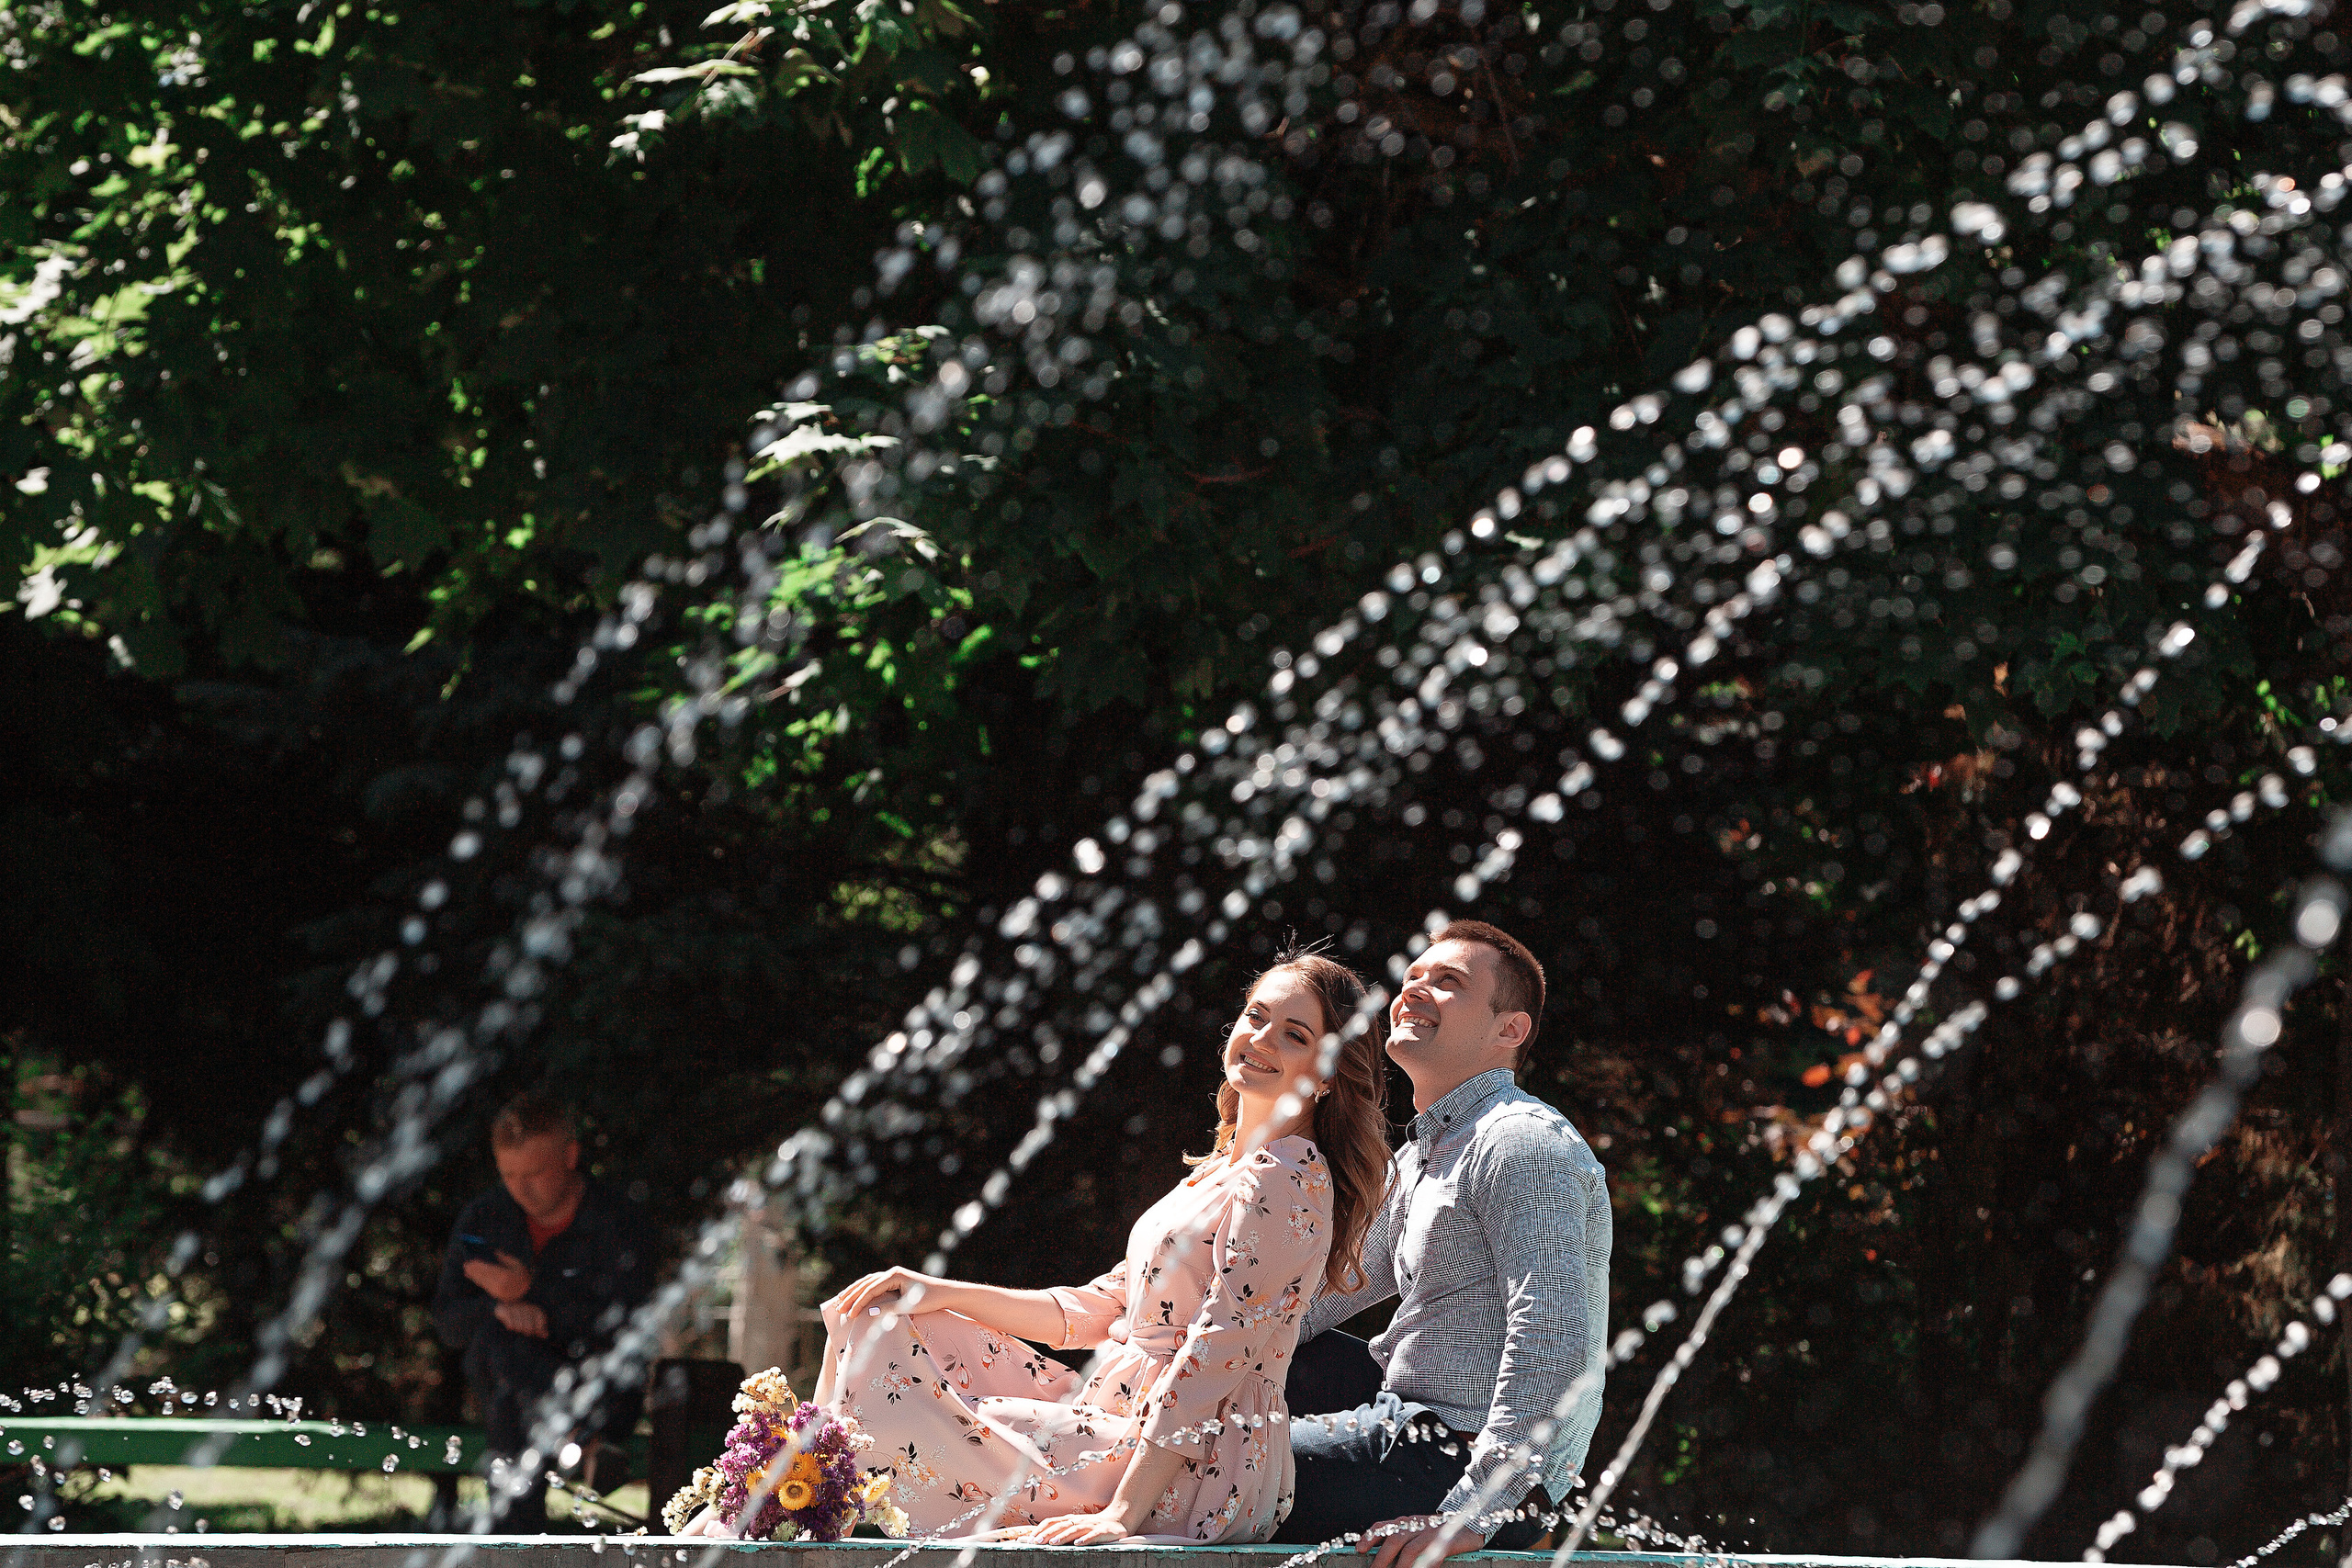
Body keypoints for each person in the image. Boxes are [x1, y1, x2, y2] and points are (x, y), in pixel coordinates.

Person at [680, 947, 1392, 1545]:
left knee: (932, 1400)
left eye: (1294, 1035)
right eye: (1255, 1016)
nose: (1261, 1039)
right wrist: (937, 1290)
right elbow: (1096, 1308)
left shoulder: (1288, 1179)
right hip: (1120, 1413)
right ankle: (793, 1498)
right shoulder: (1218, 1173)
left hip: (1194, 1468)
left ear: (1329, 1071)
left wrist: (1124, 1513)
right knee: (886, 1317)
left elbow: (1215, 1356)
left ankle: (785, 1511)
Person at [1274, 919, 1612, 1568]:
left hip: (1458, 1465)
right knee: (1265, 1355)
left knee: (1209, 1465)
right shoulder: (1425, 1153)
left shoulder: (1521, 1143)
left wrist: (1472, 1512)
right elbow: (1318, 1298)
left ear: (1509, 1030)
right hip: (1406, 1424)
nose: (1414, 991)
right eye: (1412, 979)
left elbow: (1556, 1344)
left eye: (1447, 982)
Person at [434, 1093, 658, 1531]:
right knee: (497, 1343)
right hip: (519, 1397)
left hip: (595, 1390)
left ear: (571, 1156)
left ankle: (512, 1544)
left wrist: (532, 1293)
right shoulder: (484, 1222)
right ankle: (573, 1443)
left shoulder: (619, 1222)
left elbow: (623, 1328)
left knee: (508, 1400)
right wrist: (498, 1306)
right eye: (508, 1175)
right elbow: (447, 1322)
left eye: (535, 1173)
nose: (520, 1189)